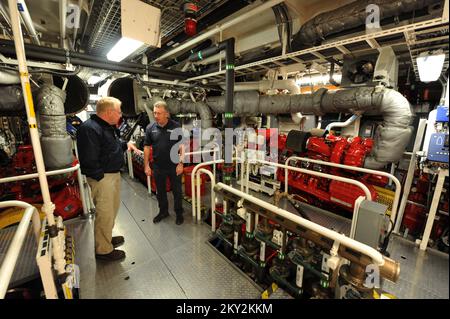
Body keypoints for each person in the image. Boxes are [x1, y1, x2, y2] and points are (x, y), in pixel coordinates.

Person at [76, 97, 139, 261]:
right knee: (105, 212)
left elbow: (113, 146)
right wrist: (100, 178)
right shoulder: (89, 129)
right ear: (109, 112)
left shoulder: (106, 127)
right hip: (103, 178)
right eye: (118, 111)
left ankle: (106, 238)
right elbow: (89, 158)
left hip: (112, 175)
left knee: (111, 211)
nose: (120, 115)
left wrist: (126, 145)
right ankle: (103, 250)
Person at [144, 101, 185, 225]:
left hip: (174, 166)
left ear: (166, 114)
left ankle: (179, 213)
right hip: (158, 166)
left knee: (177, 191)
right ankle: (163, 212)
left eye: (159, 113)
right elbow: (146, 147)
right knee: (160, 191)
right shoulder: (150, 128)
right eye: (155, 113)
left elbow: (182, 145)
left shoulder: (176, 126)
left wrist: (181, 163)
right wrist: (146, 165)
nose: (156, 116)